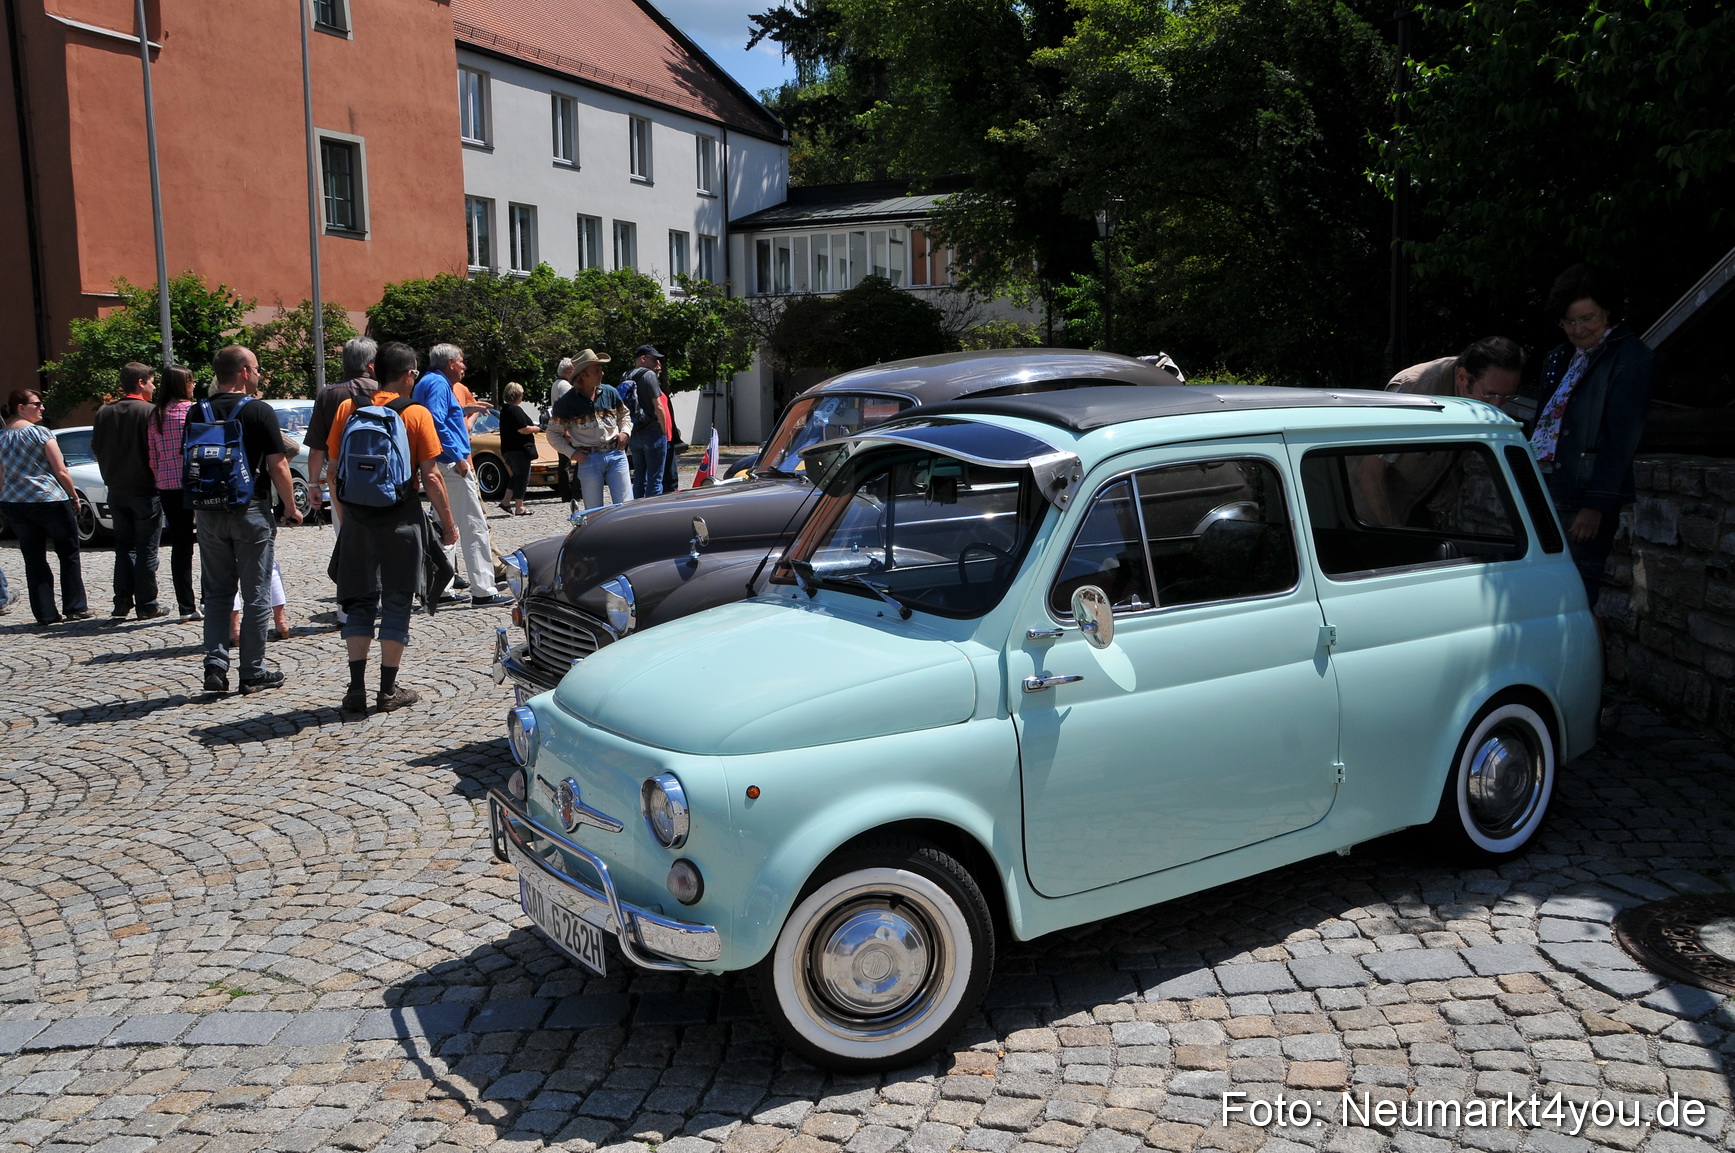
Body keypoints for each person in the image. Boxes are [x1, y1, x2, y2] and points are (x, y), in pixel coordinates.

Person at [326, 341, 458, 713]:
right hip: (401, 518)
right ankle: (387, 691)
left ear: (373, 371)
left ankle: (355, 688)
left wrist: (347, 515)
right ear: (408, 374)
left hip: (358, 521)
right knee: (398, 601)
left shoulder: (348, 409)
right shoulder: (416, 414)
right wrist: (448, 526)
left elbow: (334, 471)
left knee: (360, 600)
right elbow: (431, 476)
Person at [1531, 264, 1655, 607]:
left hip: (1581, 494)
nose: (1577, 329)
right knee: (1539, 587)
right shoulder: (1559, 357)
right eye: (1568, 321)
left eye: (1587, 318)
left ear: (1609, 312)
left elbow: (1621, 441)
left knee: (1574, 593)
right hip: (1545, 485)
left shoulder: (1631, 359)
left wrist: (1596, 505)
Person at [195, 345, 302, 695]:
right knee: (255, 593)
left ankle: (215, 662)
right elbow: (279, 464)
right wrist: (290, 506)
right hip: (250, 509)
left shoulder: (199, 409)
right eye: (256, 368)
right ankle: (253, 671)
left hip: (208, 509)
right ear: (242, 372)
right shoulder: (258, 411)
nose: (258, 374)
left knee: (217, 592)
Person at [1357, 336, 1526, 526]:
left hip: (1419, 510)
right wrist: (1396, 533)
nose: (1497, 407)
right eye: (1490, 395)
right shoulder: (1412, 394)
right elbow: (1369, 474)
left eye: (1506, 397)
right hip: (1369, 516)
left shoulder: (1478, 390)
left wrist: (1453, 482)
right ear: (1463, 377)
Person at [411, 343, 500, 606]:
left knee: (442, 527)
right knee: (473, 525)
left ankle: (442, 588)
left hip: (436, 464)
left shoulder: (428, 382)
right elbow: (436, 423)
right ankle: (484, 590)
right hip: (450, 463)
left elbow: (438, 416)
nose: (465, 366)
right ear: (450, 362)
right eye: (461, 361)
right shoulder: (439, 384)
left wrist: (465, 410)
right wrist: (458, 457)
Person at [0, 388, 90, 626]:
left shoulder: (1, 437)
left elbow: (0, 476)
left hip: (14, 503)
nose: (42, 408)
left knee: (34, 558)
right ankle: (75, 607)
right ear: (21, 407)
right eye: (37, 404)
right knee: (68, 553)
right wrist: (73, 496)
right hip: (48, 499)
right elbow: (60, 469)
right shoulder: (41, 433)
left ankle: (45, 614)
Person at [91, 361, 165, 620]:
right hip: (145, 489)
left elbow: (96, 448)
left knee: (123, 548)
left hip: (116, 488)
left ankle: (122, 602)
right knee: (146, 549)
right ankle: (147, 604)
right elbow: (158, 450)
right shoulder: (150, 412)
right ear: (141, 382)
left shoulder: (103, 412)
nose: (154, 386)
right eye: (152, 381)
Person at [305, 336, 379, 530]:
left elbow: (317, 447)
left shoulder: (329, 394)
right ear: (371, 363)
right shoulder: (382, 391)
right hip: (381, 476)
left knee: (348, 543)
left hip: (341, 480)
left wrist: (313, 484)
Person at [146, 365, 200, 620]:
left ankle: (185, 606)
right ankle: (210, 600)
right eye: (190, 381)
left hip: (168, 486)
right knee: (210, 542)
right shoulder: (192, 411)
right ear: (183, 384)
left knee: (180, 547)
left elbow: (153, 457)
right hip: (195, 484)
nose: (194, 385)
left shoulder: (156, 414)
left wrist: (161, 478)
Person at [547, 348, 631, 509]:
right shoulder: (566, 403)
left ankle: (627, 535)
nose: (602, 373)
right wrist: (571, 453)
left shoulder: (610, 393)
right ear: (583, 375)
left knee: (626, 506)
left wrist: (625, 432)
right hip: (589, 459)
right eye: (596, 370)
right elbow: (552, 433)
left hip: (616, 455)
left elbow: (624, 416)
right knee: (594, 510)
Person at [618, 345, 669, 498]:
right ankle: (653, 512)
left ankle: (638, 510)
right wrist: (664, 430)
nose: (658, 365)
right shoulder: (649, 375)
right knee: (655, 478)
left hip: (634, 432)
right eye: (655, 360)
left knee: (639, 477)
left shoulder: (625, 375)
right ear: (643, 358)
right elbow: (658, 405)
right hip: (652, 431)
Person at [497, 382, 538, 516]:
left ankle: (506, 501)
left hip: (508, 449)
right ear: (517, 395)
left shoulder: (504, 410)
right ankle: (520, 507)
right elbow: (523, 429)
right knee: (522, 477)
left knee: (515, 476)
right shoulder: (515, 410)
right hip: (519, 450)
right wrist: (537, 429)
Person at [547, 357, 574, 500]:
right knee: (568, 461)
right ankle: (571, 492)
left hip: (559, 425)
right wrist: (568, 430)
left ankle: (566, 492)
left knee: (563, 461)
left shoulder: (556, 384)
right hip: (566, 426)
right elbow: (567, 409)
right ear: (567, 371)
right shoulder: (565, 386)